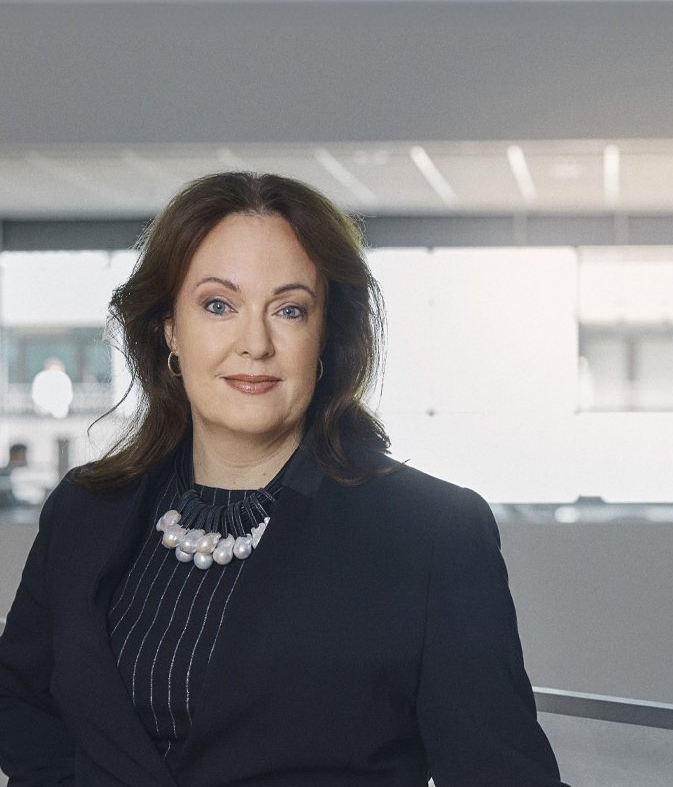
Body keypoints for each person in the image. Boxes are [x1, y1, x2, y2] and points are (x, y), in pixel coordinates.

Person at [0, 173, 569, 786]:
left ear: (325, 336)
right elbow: (24, 708)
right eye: (219, 305)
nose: (255, 343)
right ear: (169, 328)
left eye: (289, 310)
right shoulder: (86, 510)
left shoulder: (433, 535)